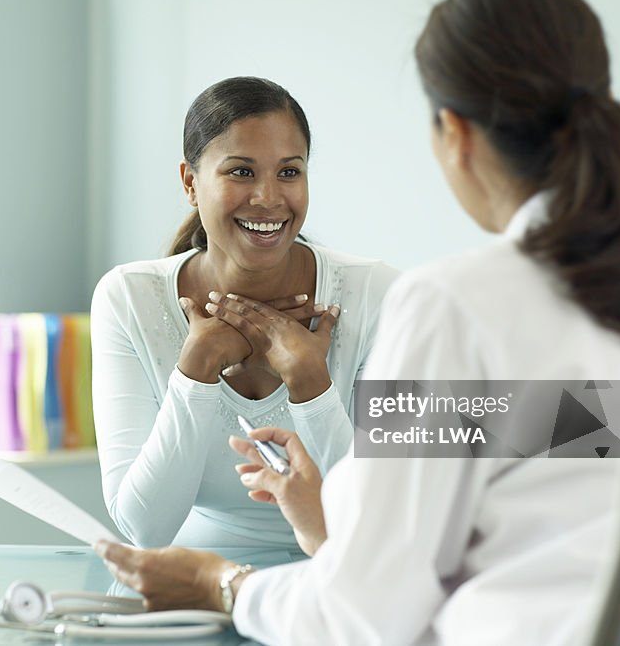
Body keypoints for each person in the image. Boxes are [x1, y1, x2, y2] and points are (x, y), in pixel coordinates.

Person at [95, 0, 620, 644]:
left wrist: (219, 584)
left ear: (454, 134)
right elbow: (540, 476)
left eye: (290, 170)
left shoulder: (449, 307)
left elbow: (364, 613)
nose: (268, 195)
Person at [90, 76, 400, 552]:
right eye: (241, 172)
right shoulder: (129, 297)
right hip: (197, 586)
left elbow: (382, 511)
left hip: (339, 574)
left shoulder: (377, 293)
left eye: (290, 172)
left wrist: (311, 384)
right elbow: (144, 528)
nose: (269, 197)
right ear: (191, 183)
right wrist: (195, 373)